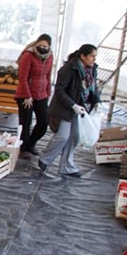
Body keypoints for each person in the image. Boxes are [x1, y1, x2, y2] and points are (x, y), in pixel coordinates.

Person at [38, 44, 98, 178]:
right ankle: (45, 158)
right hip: (64, 109)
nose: (94, 59)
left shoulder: (92, 69)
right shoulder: (68, 69)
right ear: (83, 56)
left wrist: (97, 101)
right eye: (92, 56)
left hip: (80, 109)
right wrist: (72, 105)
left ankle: (67, 166)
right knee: (63, 136)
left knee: (75, 137)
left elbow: (94, 87)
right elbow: (59, 90)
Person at [16, 34, 54, 159]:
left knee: (43, 122)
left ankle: (31, 143)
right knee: (25, 122)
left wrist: (48, 92)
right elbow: (23, 77)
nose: (42, 48)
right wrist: (27, 95)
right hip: (25, 94)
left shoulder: (49, 57)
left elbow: (48, 76)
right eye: (40, 45)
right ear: (36, 44)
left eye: (45, 46)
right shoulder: (28, 55)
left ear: (49, 47)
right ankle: (24, 148)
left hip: (41, 94)